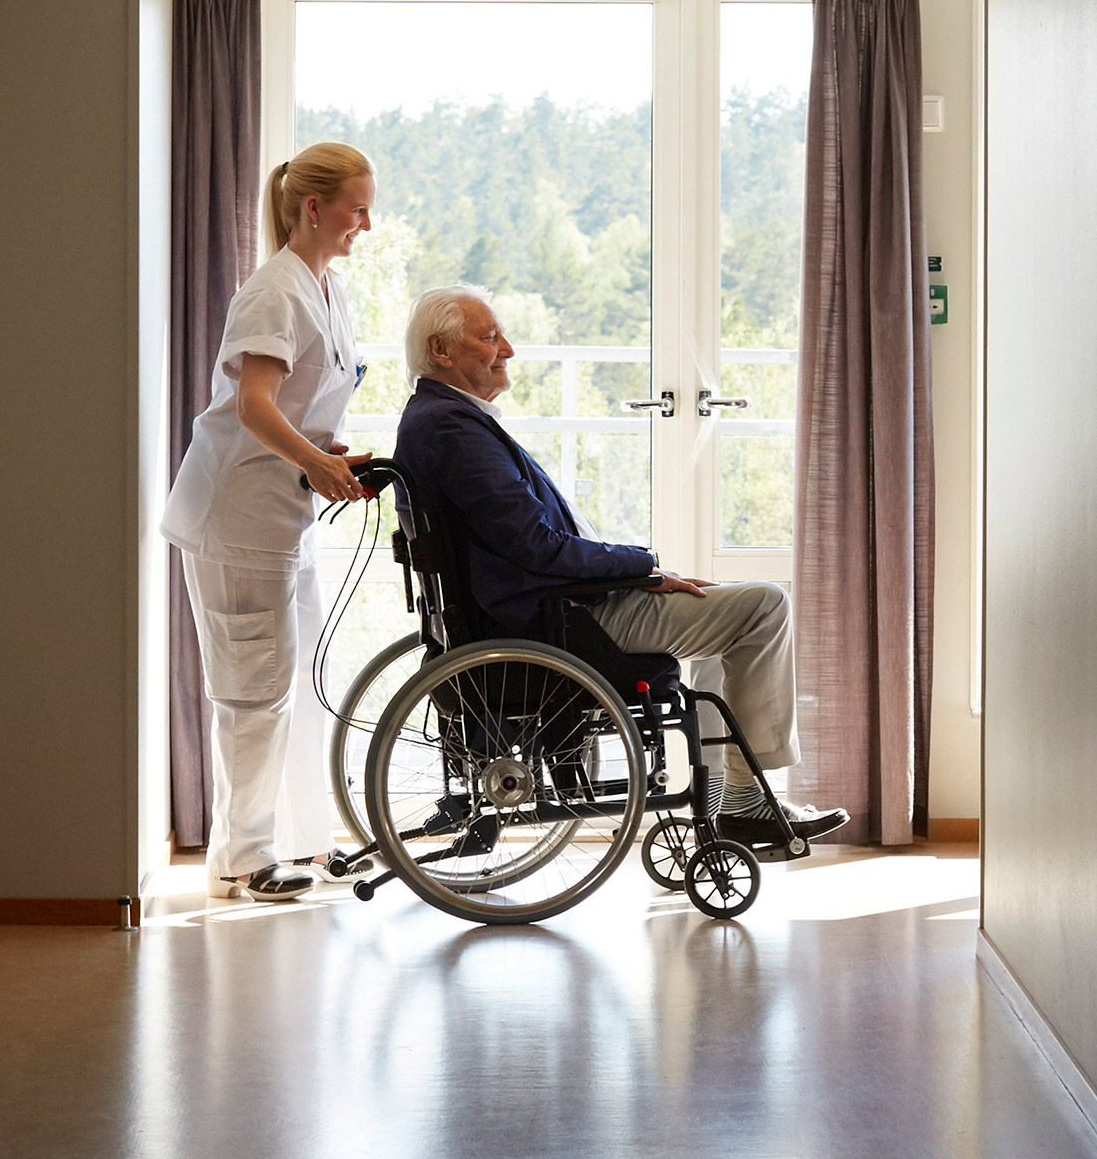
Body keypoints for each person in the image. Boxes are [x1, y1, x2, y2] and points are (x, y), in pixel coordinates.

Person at [389, 285, 848, 856]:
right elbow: (536, 547)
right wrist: (644, 567)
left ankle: (731, 800)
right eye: (489, 338)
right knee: (763, 608)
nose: (507, 349)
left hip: (549, 609)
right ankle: (744, 802)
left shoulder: (439, 419)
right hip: (560, 621)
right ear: (441, 350)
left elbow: (527, 543)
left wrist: (641, 575)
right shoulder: (452, 429)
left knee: (725, 621)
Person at [161, 142, 376, 902]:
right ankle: (243, 861)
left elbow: (294, 402)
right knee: (254, 690)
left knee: (297, 677)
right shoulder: (273, 290)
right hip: (238, 517)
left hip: (284, 511)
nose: (367, 223)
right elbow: (253, 405)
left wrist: (323, 448)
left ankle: (302, 841)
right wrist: (315, 463)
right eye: (357, 208)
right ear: (313, 207)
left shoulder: (327, 287)